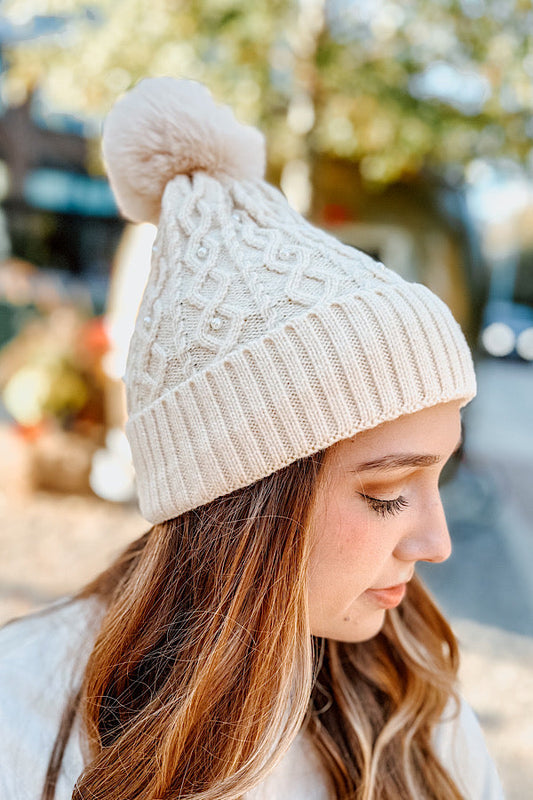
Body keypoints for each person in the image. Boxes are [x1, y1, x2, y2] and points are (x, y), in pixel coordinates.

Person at [0, 78, 504, 800]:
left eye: (436, 478)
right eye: (388, 494)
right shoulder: (20, 717)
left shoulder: (415, 705)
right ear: (235, 496)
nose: (436, 542)